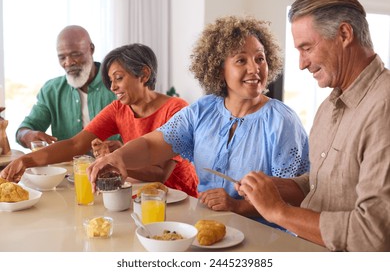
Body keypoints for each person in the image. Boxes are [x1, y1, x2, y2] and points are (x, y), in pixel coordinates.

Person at [86, 16, 309, 226]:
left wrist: (239, 206)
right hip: (208, 227)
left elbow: (298, 193)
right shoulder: (203, 109)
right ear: (219, 69)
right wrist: (118, 157)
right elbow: (152, 145)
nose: (255, 68)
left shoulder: (282, 121)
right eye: (241, 60)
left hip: (266, 237)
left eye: (260, 58)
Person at [234, 0, 390, 251]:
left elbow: (373, 235)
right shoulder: (329, 106)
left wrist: (279, 212)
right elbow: (321, 185)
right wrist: (274, 187)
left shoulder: (384, 107)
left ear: (344, 34)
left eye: (307, 48)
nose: (301, 64)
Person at [1, 43, 198, 197]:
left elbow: (160, 174)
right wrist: (25, 161)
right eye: (110, 81)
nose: (112, 87)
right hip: (140, 195)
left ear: (144, 74)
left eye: (118, 78)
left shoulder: (176, 109)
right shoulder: (118, 109)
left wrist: (114, 158)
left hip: (180, 197)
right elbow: (75, 144)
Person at [16, 25, 119, 149]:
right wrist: (27, 135)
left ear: (91, 49)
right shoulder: (51, 90)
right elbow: (24, 129)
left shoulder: (118, 83)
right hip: (66, 167)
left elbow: (141, 133)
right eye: (62, 57)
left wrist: (122, 146)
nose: (68, 62)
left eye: (75, 54)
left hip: (113, 165)